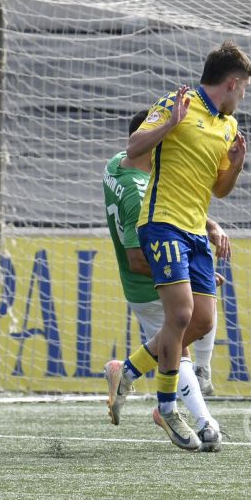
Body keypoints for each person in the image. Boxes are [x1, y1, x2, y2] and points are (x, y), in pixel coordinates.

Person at [106, 40, 251, 451]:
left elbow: (219, 190)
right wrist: (169, 124)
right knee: (181, 314)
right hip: (162, 223)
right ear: (232, 82)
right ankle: (168, 409)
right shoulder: (177, 102)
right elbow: (134, 146)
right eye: (243, 89)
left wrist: (236, 165)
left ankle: (129, 371)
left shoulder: (228, 127)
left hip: (194, 231)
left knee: (202, 322)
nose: (243, 97)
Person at [102, 110, 228, 451]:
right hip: (147, 282)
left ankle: (128, 372)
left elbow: (169, 199)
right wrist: (179, 276)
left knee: (196, 324)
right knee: (178, 345)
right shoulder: (135, 194)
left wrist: (209, 224)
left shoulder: (117, 163)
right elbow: (136, 257)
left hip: (158, 270)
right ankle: (202, 422)